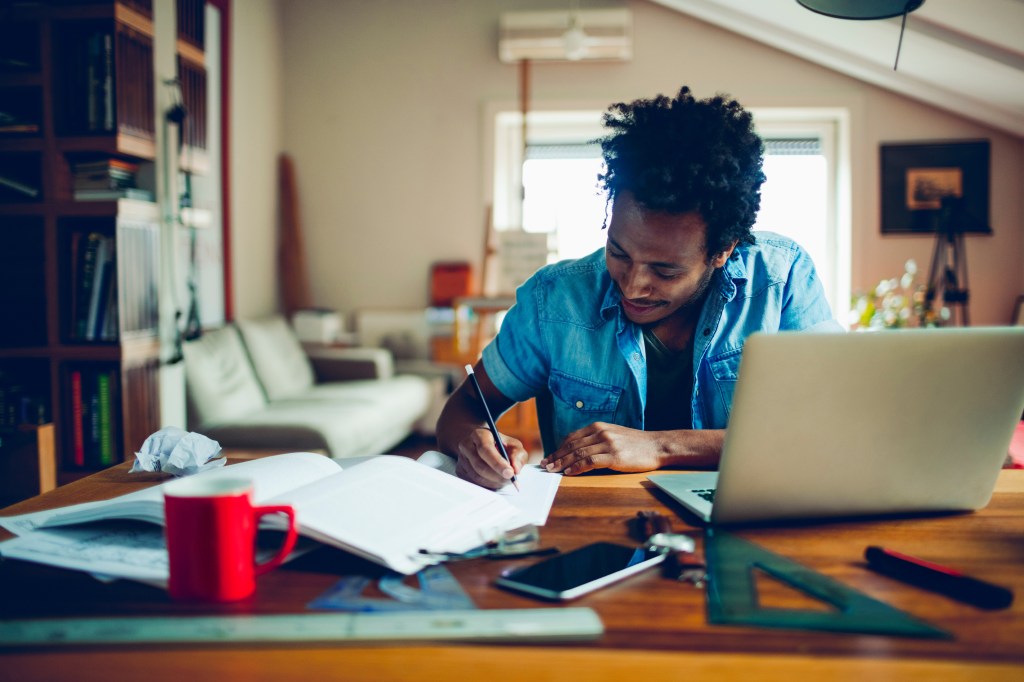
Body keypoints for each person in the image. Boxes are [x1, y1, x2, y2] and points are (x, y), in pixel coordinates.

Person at [436, 86, 841, 490]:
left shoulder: (781, 279)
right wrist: (475, 441)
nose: (633, 285)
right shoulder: (554, 301)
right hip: (594, 538)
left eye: (665, 271)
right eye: (619, 252)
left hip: (745, 527)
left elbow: (830, 431)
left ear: (722, 250)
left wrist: (664, 446)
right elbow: (464, 408)